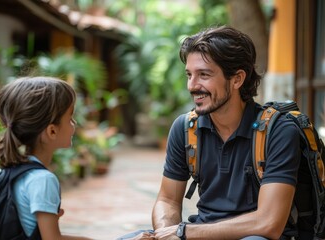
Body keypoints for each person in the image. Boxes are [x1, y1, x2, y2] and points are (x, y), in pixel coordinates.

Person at [118, 25, 301, 240]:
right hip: (201, 233)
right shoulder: (186, 128)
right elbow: (167, 200)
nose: (192, 86)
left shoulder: (278, 131)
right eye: (189, 75)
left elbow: (268, 222)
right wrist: (165, 233)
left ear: (237, 79)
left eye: (204, 75)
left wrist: (184, 232)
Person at [0, 76, 93, 240]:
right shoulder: (43, 180)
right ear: (52, 131)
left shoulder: (11, 171)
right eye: (70, 118)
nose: (74, 124)